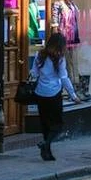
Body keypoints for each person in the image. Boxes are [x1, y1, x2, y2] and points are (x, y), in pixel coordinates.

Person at [31, 33, 81, 161]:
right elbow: (64, 78)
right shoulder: (59, 58)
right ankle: (45, 144)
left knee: (45, 124)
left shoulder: (39, 55)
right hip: (54, 94)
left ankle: (47, 152)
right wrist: (73, 95)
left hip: (40, 93)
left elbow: (34, 73)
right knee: (58, 125)